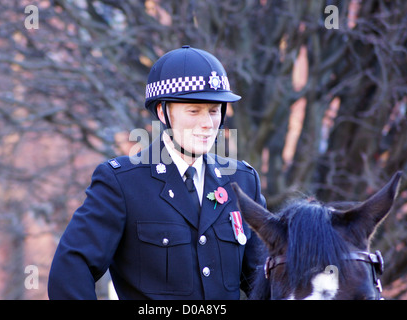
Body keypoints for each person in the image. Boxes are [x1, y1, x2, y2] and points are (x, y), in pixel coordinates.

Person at [48, 45, 267, 299]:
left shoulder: (242, 181)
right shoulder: (122, 184)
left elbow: (267, 281)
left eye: (214, 110)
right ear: (163, 112)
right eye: (194, 110)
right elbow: (69, 272)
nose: (208, 123)